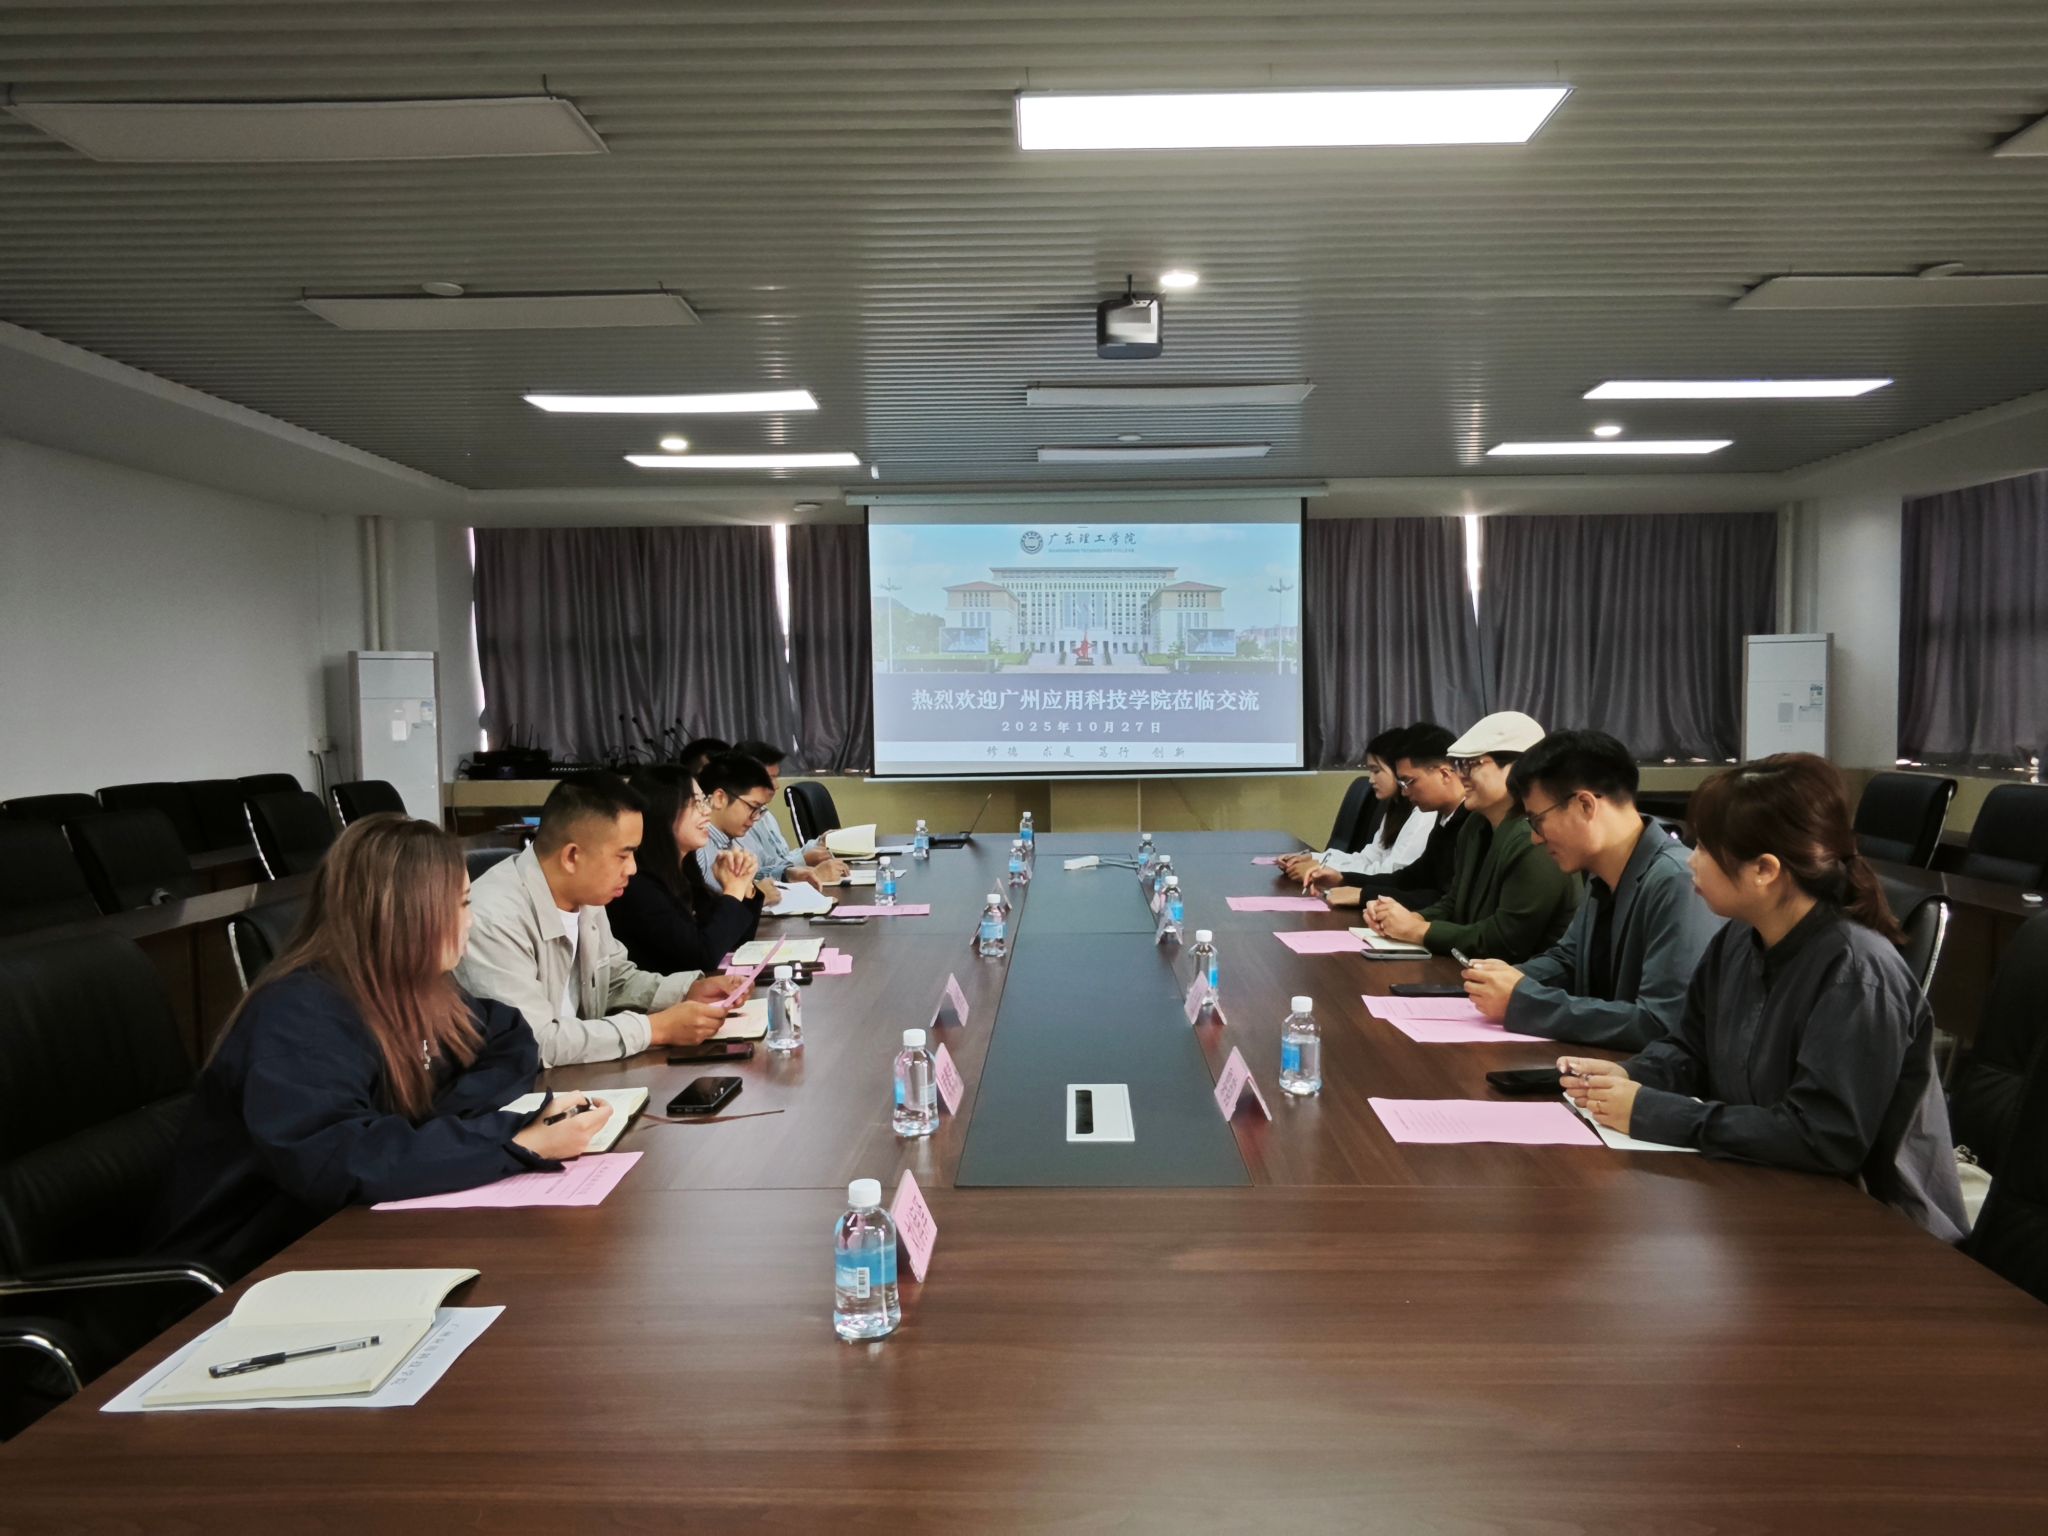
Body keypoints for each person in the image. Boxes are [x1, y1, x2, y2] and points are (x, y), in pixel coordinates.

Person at [149, 815, 614, 1281]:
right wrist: (512, 1141)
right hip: (249, 1268)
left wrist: (441, 1130)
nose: (470, 922)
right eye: (458, 904)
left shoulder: (416, 988)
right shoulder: (299, 1015)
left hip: (348, 1233)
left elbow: (509, 1036)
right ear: (404, 913)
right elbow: (340, 1160)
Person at [1561, 753, 1968, 1243]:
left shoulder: (1856, 972)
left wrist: (1653, 1112)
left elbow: (1822, 1137)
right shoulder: (1739, 938)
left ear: (1765, 869)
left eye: (1705, 848)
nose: (1690, 860)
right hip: (1767, 1193)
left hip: (1877, 1230)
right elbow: (1691, 1049)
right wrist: (1631, 1075)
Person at [456, 772, 746, 1066]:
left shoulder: (586, 896)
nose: (632, 869)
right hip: (528, 1087)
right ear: (572, 856)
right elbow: (533, 1042)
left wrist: (687, 991)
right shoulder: (493, 919)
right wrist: (654, 1029)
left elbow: (614, 982)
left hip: (578, 1077)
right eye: (623, 855)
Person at [1461, 730, 1722, 1048]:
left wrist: (1523, 1002)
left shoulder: (1676, 881)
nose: (1535, 838)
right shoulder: (1602, 874)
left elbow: (1660, 1023)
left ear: (1585, 805)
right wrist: (1501, 979)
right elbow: (1569, 961)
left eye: (1537, 820)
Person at [1363, 711, 1581, 961]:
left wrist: (1418, 930)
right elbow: (1454, 903)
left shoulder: (1535, 838)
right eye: (1459, 765)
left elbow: (1505, 941)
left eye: (1472, 764)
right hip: (1474, 968)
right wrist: (1410, 918)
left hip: (1521, 977)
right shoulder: (1475, 825)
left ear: (1516, 768)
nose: (1461, 775)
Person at [610, 772, 765, 973]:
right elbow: (702, 957)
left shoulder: (684, 871)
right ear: (664, 811)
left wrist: (744, 885)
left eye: (704, 801)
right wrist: (734, 890)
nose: (707, 811)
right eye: (696, 803)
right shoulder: (638, 885)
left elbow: (734, 940)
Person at [1317, 724, 1469, 911]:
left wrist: (1364, 894)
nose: (1404, 792)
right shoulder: (1444, 817)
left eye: (1409, 781)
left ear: (1444, 774)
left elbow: (1447, 899)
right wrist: (1344, 879)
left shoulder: (1473, 822)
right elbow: (1410, 878)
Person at [1281, 726, 1431, 886]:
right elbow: (1368, 858)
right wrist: (1316, 859)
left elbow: (1390, 873)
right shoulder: (1396, 808)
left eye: (1376, 771)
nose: (1371, 780)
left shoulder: (1423, 815)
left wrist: (1325, 870)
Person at [729, 738, 850, 886]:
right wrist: (803, 862)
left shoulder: (765, 814)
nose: (776, 786)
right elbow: (755, 875)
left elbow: (779, 857)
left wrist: (819, 842)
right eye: (770, 778)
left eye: (776, 777)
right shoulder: (738, 822)